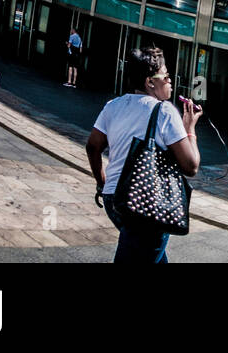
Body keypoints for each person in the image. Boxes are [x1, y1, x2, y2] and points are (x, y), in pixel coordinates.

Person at [86, 46, 201, 264]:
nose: (170, 80)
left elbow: (93, 146)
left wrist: (102, 182)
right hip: (146, 204)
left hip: (114, 200)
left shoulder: (113, 106)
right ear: (150, 82)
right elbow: (191, 166)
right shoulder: (165, 111)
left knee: (148, 254)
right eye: (166, 76)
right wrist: (190, 129)